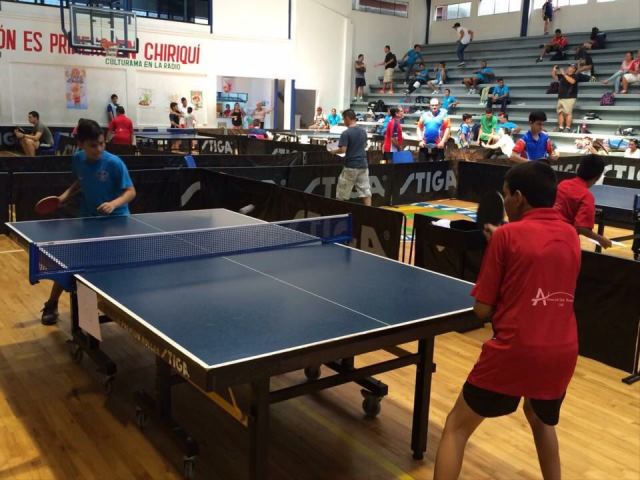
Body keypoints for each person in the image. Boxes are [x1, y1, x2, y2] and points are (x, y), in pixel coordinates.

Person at [433, 161, 581, 480]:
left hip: (515, 350)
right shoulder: (570, 235)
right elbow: (539, 257)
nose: (505, 203)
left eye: (506, 195)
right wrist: (506, 239)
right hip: (562, 352)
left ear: (519, 197)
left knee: (456, 428)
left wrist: (501, 244)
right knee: (540, 420)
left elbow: (482, 310)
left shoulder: (507, 237)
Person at [40, 119, 136, 325]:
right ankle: (52, 303)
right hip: (88, 218)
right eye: (93, 145)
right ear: (80, 144)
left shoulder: (114, 163)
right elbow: (81, 181)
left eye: (102, 143)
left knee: (113, 266)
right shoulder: (78, 159)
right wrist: (65, 196)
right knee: (72, 262)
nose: (99, 149)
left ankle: (119, 308)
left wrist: (113, 204)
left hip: (115, 221)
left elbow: (130, 192)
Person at [555, 155, 612, 249]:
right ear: (598, 177)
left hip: (548, 232)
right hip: (565, 241)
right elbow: (582, 228)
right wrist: (601, 239)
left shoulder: (563, 184)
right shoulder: (587, 196)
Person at [329, 109, 371, 207]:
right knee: (366, 191)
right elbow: (364, 145)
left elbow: (343, 150)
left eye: (344, 119)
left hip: (351, 166)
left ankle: (341, 213)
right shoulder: (363, 131)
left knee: (342, 193)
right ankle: (369, 212)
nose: (343, 121)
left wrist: (333, 151)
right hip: (363, 165)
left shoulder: (346, 133)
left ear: (347, 118)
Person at [552, 63, 578, 132]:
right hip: (561, 97)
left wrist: (564, 74)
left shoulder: (575, 76)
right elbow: (555, 77)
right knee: (560, 112)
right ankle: (561, 127)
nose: (570, 68)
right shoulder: (563, 76)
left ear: (574, 70)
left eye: (572, 68)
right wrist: (554, 70)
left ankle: (567, 128)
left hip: (569, 97)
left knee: (568, 113)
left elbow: (572, 81)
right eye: (569, 67)